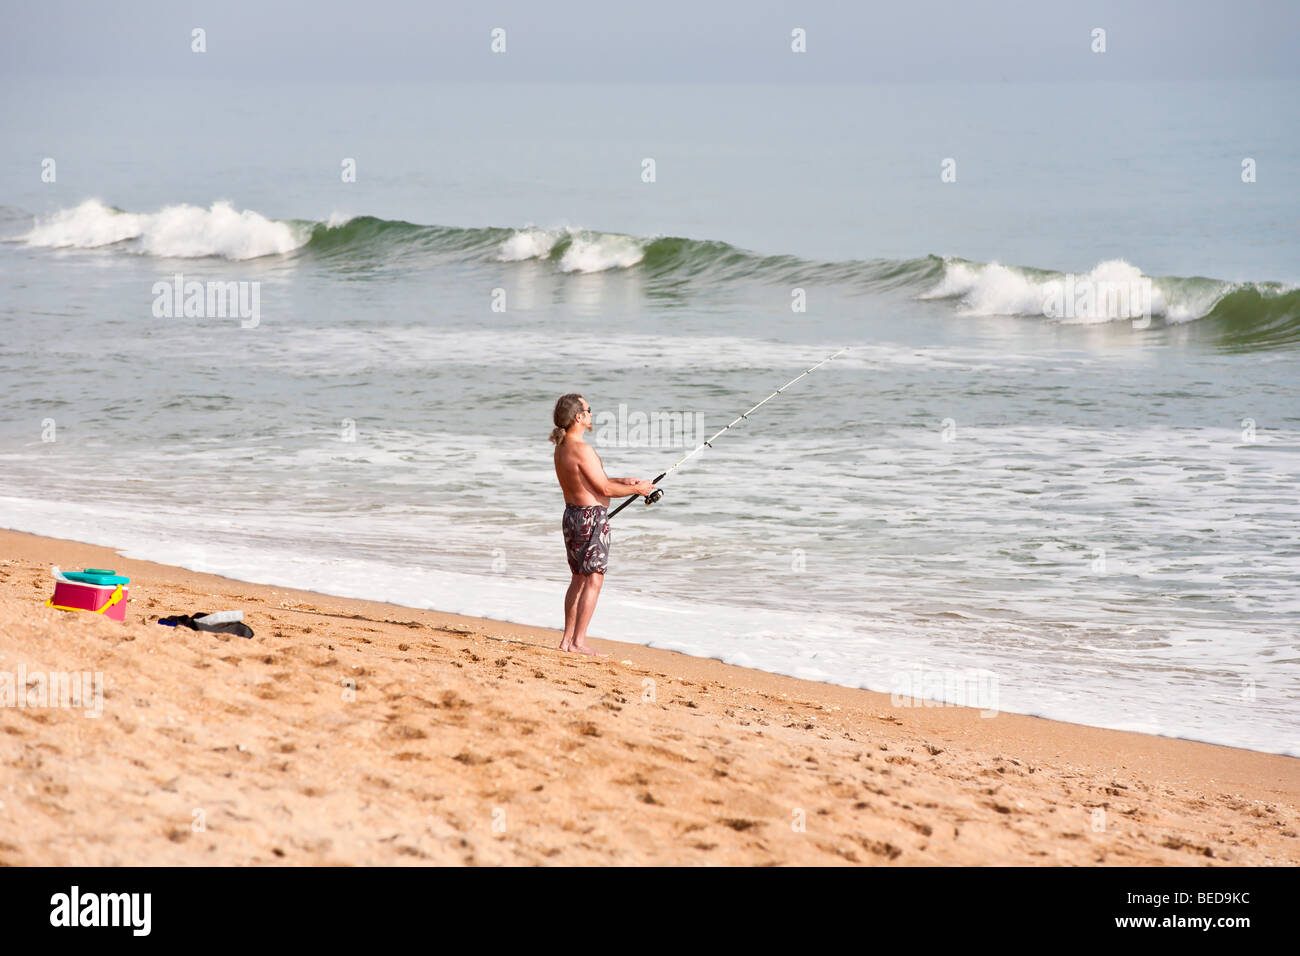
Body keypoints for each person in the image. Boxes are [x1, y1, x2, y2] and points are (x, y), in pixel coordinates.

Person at [550, 393, 655, 655]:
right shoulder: (582, 449)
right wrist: (639, 490)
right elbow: (603, 488)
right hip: (590, 519)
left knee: (578, 579)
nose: (592, 414)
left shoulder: (563, 448)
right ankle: (578, 642)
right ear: (579, 417)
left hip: (572, 516)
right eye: (588, 409)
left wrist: (626, 481)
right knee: (594, 579)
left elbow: (591, 481)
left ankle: (567, 640)